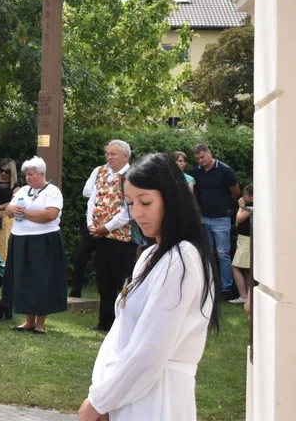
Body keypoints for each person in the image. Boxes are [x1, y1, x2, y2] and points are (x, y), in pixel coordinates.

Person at [79, 153, 220, 421]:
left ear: (172, 199)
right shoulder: (149, 256)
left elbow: (150, 352)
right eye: (131, 203)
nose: (137, 213)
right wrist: (103, 396)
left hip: (155, 401)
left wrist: (99, 402)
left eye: (145, 202)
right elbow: (122, 336)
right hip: (126, 397)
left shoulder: (182, 259)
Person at [73, 140, 136, 333]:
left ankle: (123, 322)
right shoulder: (101, 172)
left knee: (120, 280)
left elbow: (129, 210)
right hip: (99, 234)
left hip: (119, 237)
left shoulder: (131, 176)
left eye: (113, 154)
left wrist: (106, 227)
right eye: (107, 153)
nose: (109, 157)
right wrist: (92, 224)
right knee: (103, 281)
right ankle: (105, 321)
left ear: (125, 156)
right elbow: (92, 199)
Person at [1, 156, 66, 334]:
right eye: (27, 175)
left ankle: (40, 323)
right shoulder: (23, 191)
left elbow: (50, 214)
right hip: (21, 238)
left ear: (41, 174)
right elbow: (8, 210)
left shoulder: (52, 191)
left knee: (41, 280)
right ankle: (28, 320)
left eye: (31, 174)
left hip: (43, 240)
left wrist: (26, 214)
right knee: (23, 279)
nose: (28, 178)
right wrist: (12, 210)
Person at [192, 142, 239, 300]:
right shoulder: (196, 172)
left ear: (209, 153)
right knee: (208, 253)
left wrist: (225, 206)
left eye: (203, 157)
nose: (201, 161)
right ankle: (211, 285)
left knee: (223, 253)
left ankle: (226, 289)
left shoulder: (225, 170)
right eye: (198, 158)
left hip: (221, 217)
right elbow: (196, 192)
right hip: (204, 218)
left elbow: (235, 192)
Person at [231, 184, 253, 304]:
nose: (243, 197)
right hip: (244, 239)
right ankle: (248, 296)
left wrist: (241, 207)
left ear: (252, 196)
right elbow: (237, 223)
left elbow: (239, 219)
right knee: (247, 269)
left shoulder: (251, 208)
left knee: (235, 267)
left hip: (246, 240)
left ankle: (243, 296)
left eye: (245, 195)